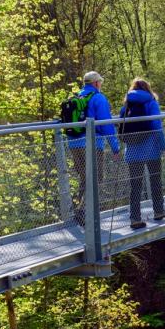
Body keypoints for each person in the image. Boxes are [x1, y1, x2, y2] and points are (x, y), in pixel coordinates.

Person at [68, 71, 120, 225]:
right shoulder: (98, 98)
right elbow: (106, 125)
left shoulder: (75, 97)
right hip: (92, 145)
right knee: (96, 178)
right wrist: (115, 147)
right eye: (100, 83)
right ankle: (84, 213)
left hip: (74, 144)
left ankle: (80, 211)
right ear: (96, 83)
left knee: (84, 178)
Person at [120, 78, 165, 230]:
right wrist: (164, 147)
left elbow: (121, 126)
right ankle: (159, 211)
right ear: (148, 88)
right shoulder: (151, 102)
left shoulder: (127, 104)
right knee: (155, 181)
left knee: (135, 185)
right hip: (152, 150)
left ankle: (135, 218)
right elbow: (156, 126)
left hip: (133, 152)